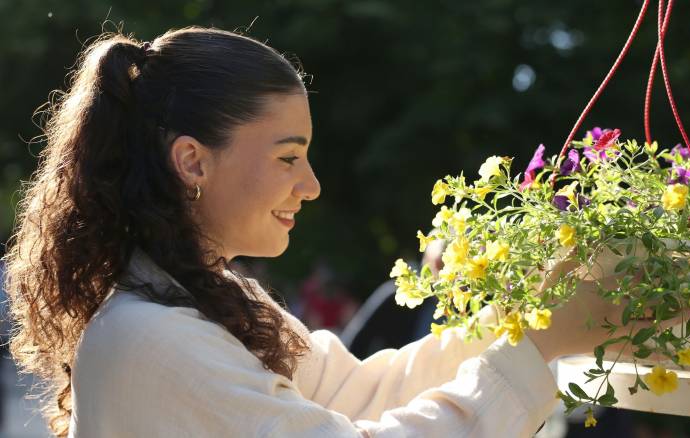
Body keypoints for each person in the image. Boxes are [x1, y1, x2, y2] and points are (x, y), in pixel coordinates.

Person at [2, 26, 632, 437]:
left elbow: (362, 393)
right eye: (287, 156)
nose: (311, 185)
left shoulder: (208, 300)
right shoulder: (149, 334)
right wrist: (538, 344)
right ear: (193, 160)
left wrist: (519, 321)